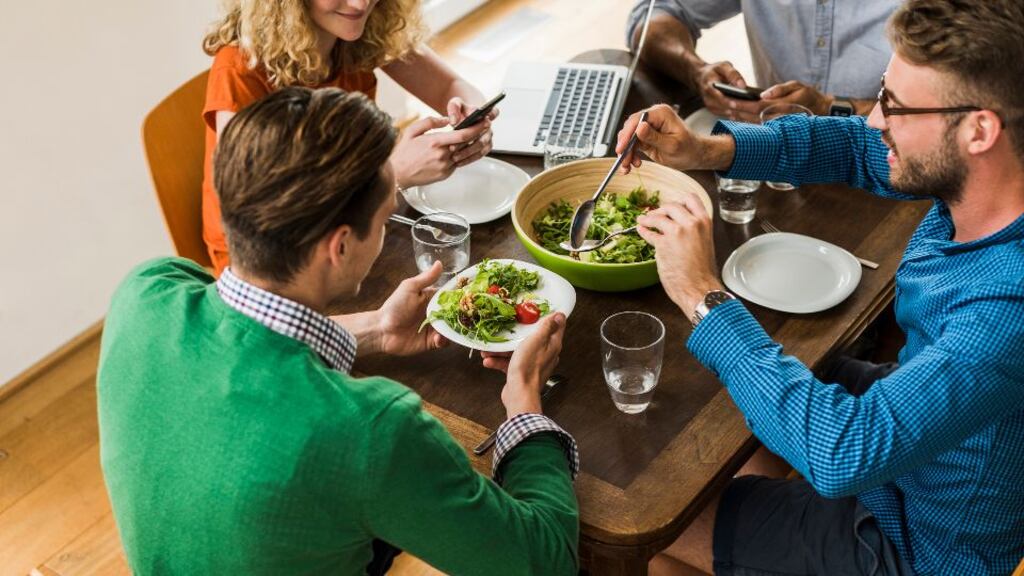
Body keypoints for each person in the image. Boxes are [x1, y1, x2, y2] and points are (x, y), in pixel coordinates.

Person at [99, 87, 579, 575]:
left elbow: (246, 325)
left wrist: (375, 329)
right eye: (385, 213)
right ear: (342, 245)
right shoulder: (373, 429)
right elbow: (545, 564)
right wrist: (523, 397)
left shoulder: (144, 290)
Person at [616, 0, 1024, 573]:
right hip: (911, 443)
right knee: (717, 396)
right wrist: (708, 151)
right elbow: (857, 145)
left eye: (895, 106)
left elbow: (842, 452)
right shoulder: (986, 181)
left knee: (647, 524)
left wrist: (701, 295)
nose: (876, 120)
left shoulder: (1007, 308)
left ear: (979, 129)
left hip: (916, 543)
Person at [201, 0, 497, 274]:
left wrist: (471, 115)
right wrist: (392, 174)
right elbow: (263, 217)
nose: (360, 4)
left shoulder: (361, 31)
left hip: (349, 225)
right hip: (272, 263)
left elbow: (452, 86)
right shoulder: (239, 69)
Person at [626, 0, 897, 122]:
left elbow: (938, 115)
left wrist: (829, 109)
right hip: (778, 154)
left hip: (894, 165)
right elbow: (654, 14)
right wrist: (696, 71)